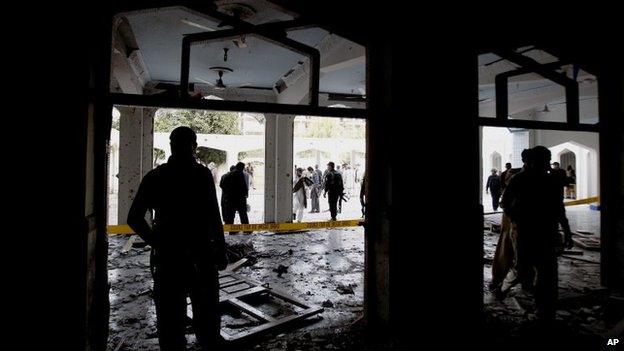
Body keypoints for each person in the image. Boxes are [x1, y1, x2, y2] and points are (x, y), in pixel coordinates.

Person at [127, 126, 227, 350]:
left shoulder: (156, 176)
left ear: (171, 146)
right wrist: (221, 250)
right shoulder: (201, 175)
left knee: (171, 326)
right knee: (207, 321)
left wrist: (157, 243)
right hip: (201, 257)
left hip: (169, 260)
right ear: (195, 147)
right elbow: (213, 217)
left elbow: (133, 218)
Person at [501, 146, 573, 323]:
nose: (546, 164)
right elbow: (505, 203)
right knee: (525, 269)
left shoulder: (549, 181)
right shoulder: (520, 179)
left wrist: (567, 231)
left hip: (545, 233)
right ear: (533, 161)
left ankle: (544, 312)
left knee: (547, 274)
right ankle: (506, 289)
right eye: (543, 160)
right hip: (526, 232)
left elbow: (559, 208)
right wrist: (517, 218)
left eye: (547, 160)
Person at [220, 162, 250, 234]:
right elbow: (243, 185)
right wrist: (245, 194)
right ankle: (246, 229)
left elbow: (221, 185)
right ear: (241, 167)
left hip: (230, 198)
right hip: (239, 198)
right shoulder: (240, 174)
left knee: (230, 215)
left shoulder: (226, 175)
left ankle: (231, 230)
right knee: (243, 214)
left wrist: (227, 192)